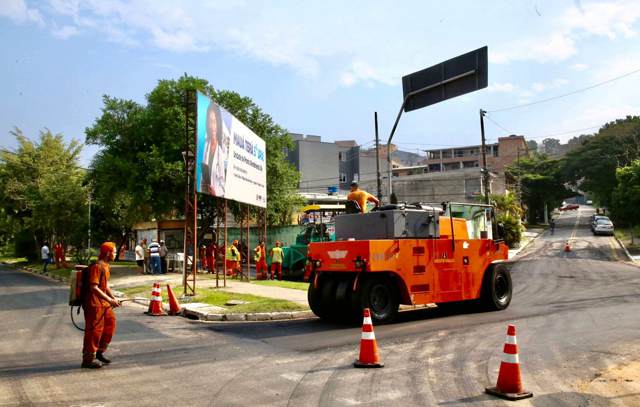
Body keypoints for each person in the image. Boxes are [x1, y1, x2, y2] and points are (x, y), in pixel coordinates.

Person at [81, 241, 120, 369]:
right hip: (93, 303)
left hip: (103, 303)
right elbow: (94, 287)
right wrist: (109, 300)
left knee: (110, 324)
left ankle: (99, 352)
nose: (115, 254)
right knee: (94, 331)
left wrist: (113, 297)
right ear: (108, 253)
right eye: (114, 251)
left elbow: (105, 285)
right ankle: (88, 359)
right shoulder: (97, 267)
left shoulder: (106, 266)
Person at [200, 103, 229, 197]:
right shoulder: (204, 145)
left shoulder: (222, 151)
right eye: (210, 121)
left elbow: (223, 184)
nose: (212, 126)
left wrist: (215, 192)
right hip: (203, 190)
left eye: (215, 122)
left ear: (218, 123)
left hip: (215, 194)